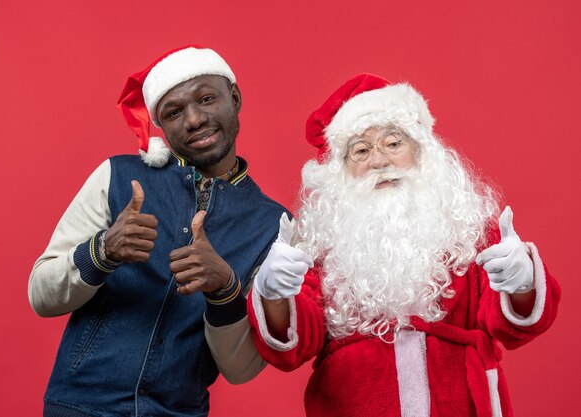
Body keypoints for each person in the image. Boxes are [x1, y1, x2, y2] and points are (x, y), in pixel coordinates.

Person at [247, 74, 561, 417]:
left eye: (393, 144)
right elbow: (293, 346)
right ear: (341, 171)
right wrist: (274, 294)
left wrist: (523, 282)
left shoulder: (468, 227)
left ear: (421, 150)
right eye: (361, 151)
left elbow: (514, 324)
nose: (379, 162)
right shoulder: (321, 246)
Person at [29, 45, 284, 417]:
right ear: (160, 126)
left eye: (207, 99)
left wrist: (225, 289)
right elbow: (41, 294)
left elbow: (241, 369)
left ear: (234, 97)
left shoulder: (272, 225)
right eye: (174, 112)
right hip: (80, 406)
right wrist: (102, 251)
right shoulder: (117, 177)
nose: (194, 120)